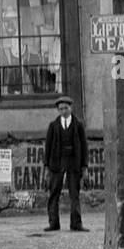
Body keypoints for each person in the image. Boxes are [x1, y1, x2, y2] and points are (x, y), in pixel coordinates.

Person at [44, 95, 88, 232]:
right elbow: (48, 147)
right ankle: (53, 223)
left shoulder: (78, 125)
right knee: (54, 193)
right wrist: (46, 166)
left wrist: (84, 166)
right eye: (60, 109)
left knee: (74, 193)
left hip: (73, 162)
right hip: (57, 162)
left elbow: (84, 147)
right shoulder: (53, 126)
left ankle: (76, 223)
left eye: (66, 108)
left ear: (71, 108)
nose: (63, 111)